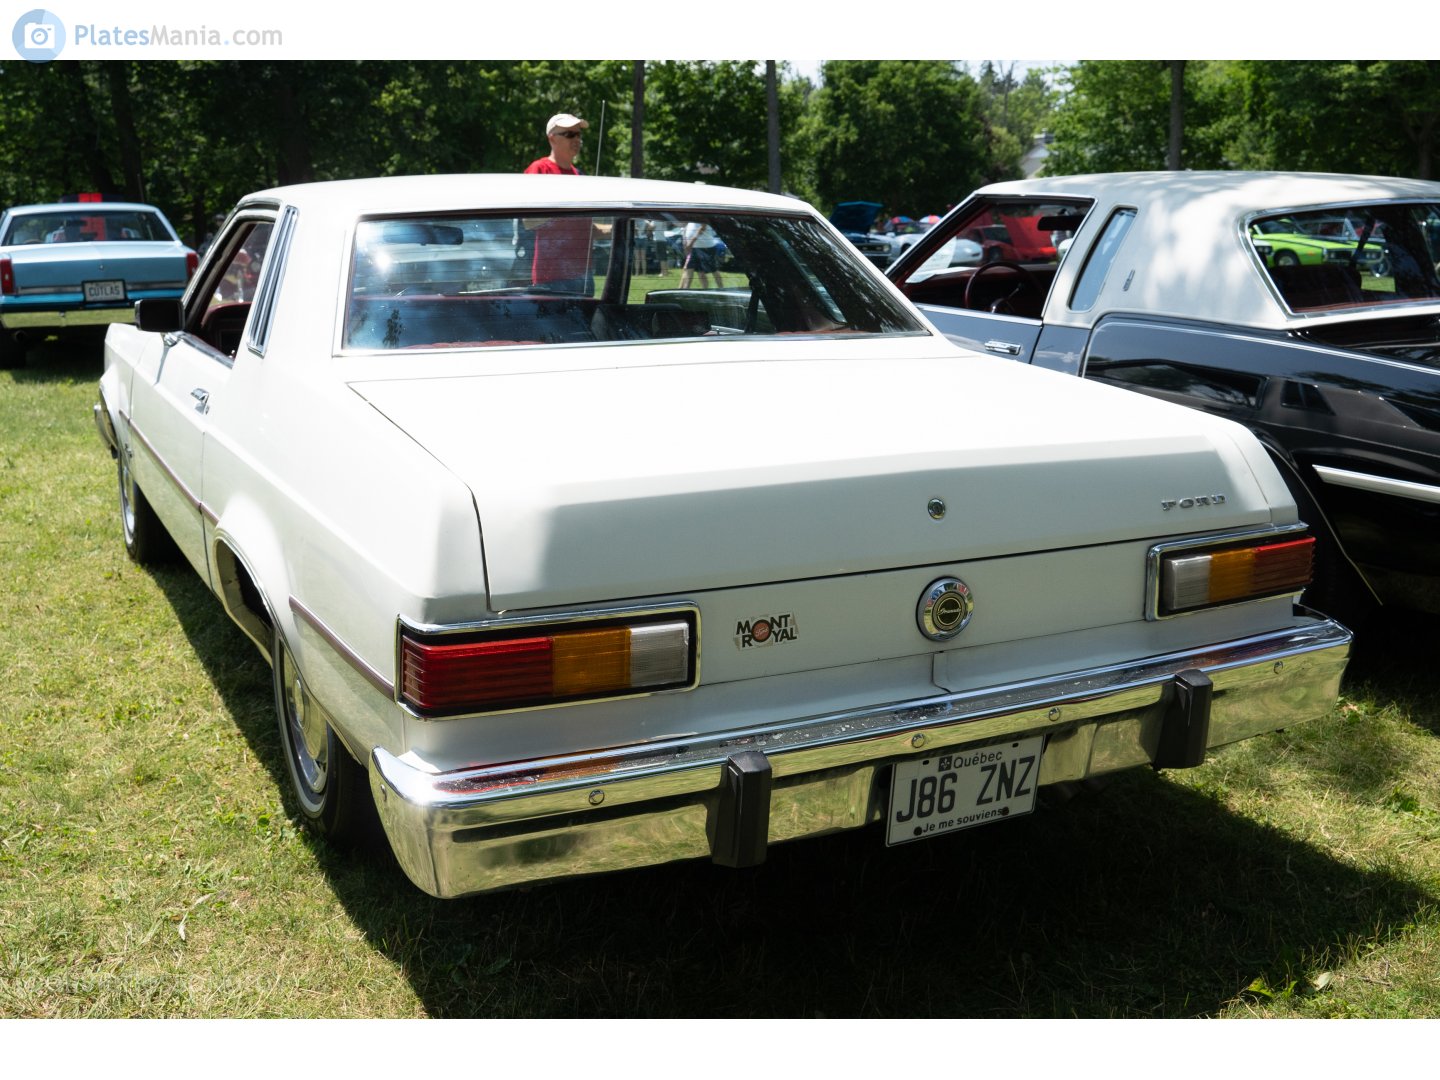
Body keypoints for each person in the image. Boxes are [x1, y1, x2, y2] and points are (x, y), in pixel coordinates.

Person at [521, 113, 595, 294]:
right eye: (570, 134)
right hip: (552, 277)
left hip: (583, 275)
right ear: (552, 138)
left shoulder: (579, 175)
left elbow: (585, 226)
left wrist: (617, 229)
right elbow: (528, 221)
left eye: (578, 134)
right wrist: (567, 209)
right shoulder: (539, 170)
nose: (576, 139)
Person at [680, 220, 725, 290]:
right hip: (694, 247)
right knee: (691, 269)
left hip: (706, 247)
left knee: (713, 270)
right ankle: (687, 290)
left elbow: (702, 227)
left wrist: (691, 242)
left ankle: (722, 289)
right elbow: (686, 226)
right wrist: (685, 240)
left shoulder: (700, 215)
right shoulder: (690, 214)